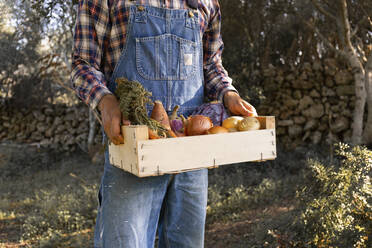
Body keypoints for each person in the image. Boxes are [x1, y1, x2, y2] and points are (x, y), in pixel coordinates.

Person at [71, 0, 257, 247]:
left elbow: (211, 64)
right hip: (133, 146)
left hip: (191, 151)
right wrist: (104, 99)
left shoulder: (206, 3)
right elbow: (82, 64)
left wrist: (228, 93)